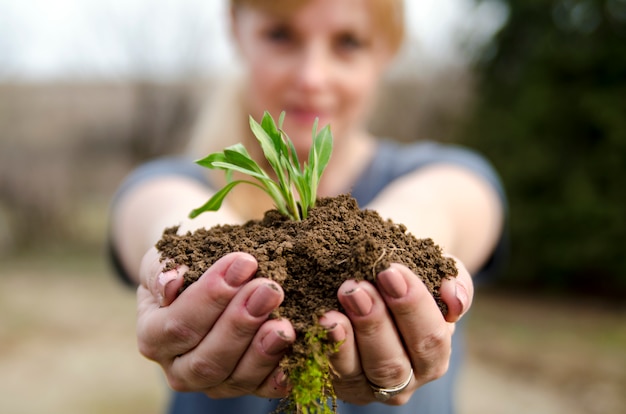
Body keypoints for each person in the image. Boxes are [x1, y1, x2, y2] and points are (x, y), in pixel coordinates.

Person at [108, 0, 506, 413]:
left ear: (387, 50)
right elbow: (160, 211)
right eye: (281, 35)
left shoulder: (444, 171)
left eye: (348, 42)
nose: (312, 77)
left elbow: (445, 205)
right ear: (236, 31)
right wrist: (201, 260)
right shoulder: (171, 181)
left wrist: (390, 254)